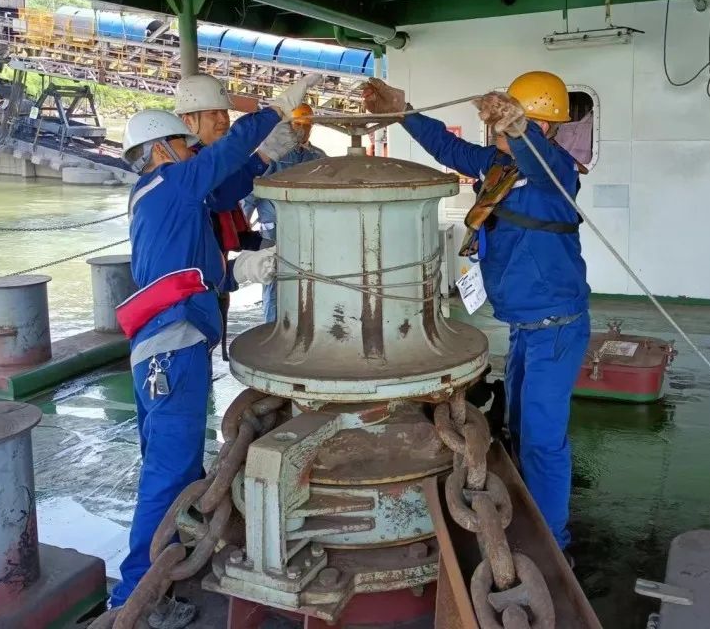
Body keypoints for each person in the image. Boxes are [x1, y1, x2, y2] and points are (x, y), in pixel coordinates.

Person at [107, 74, 319, 627]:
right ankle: (136, 596)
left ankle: (158, 571)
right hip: (172, 348)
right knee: (169, 471)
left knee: (170, 463)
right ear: (160, 150)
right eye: (183, 144)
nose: (190, 153)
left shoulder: (165, 199)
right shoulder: (171, 184)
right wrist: (275, 111)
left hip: (165, 345)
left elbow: (198, 251)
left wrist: (240, 266)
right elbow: (224, 156)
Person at [363, 72, 591, 552]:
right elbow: (448, 148)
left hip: (556, 329)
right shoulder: (496, 165)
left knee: (543, 440)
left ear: (543, 126)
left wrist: (517, 127)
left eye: (517, 121)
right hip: (527, 328)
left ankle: (553, 541)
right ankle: (533, 508)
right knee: (521, 426)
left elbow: (538, 156)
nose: (496, 130)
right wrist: (403, 113)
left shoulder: (556, 174)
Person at [174, 73, 271, 357]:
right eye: (213, 113)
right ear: (188, 120)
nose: (223, 120)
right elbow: (221, 196)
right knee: (193, 344)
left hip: (214, 272)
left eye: (225, 112)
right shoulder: (187, 165)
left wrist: (263, 244)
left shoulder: (210, 158)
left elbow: (226, 213)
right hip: (192, 280)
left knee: (211, 334)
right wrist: (264, 156)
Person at [241, 102, 328, 323]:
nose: (302, 130)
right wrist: (241, 227)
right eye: (297, 125)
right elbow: (250, 193)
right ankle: (273, 327)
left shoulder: (319, 157)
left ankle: (307, 329)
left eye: (306, 125)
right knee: (274, 279)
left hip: (309, 233)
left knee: (310, 282)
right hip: (274, 233)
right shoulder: (273, 155)